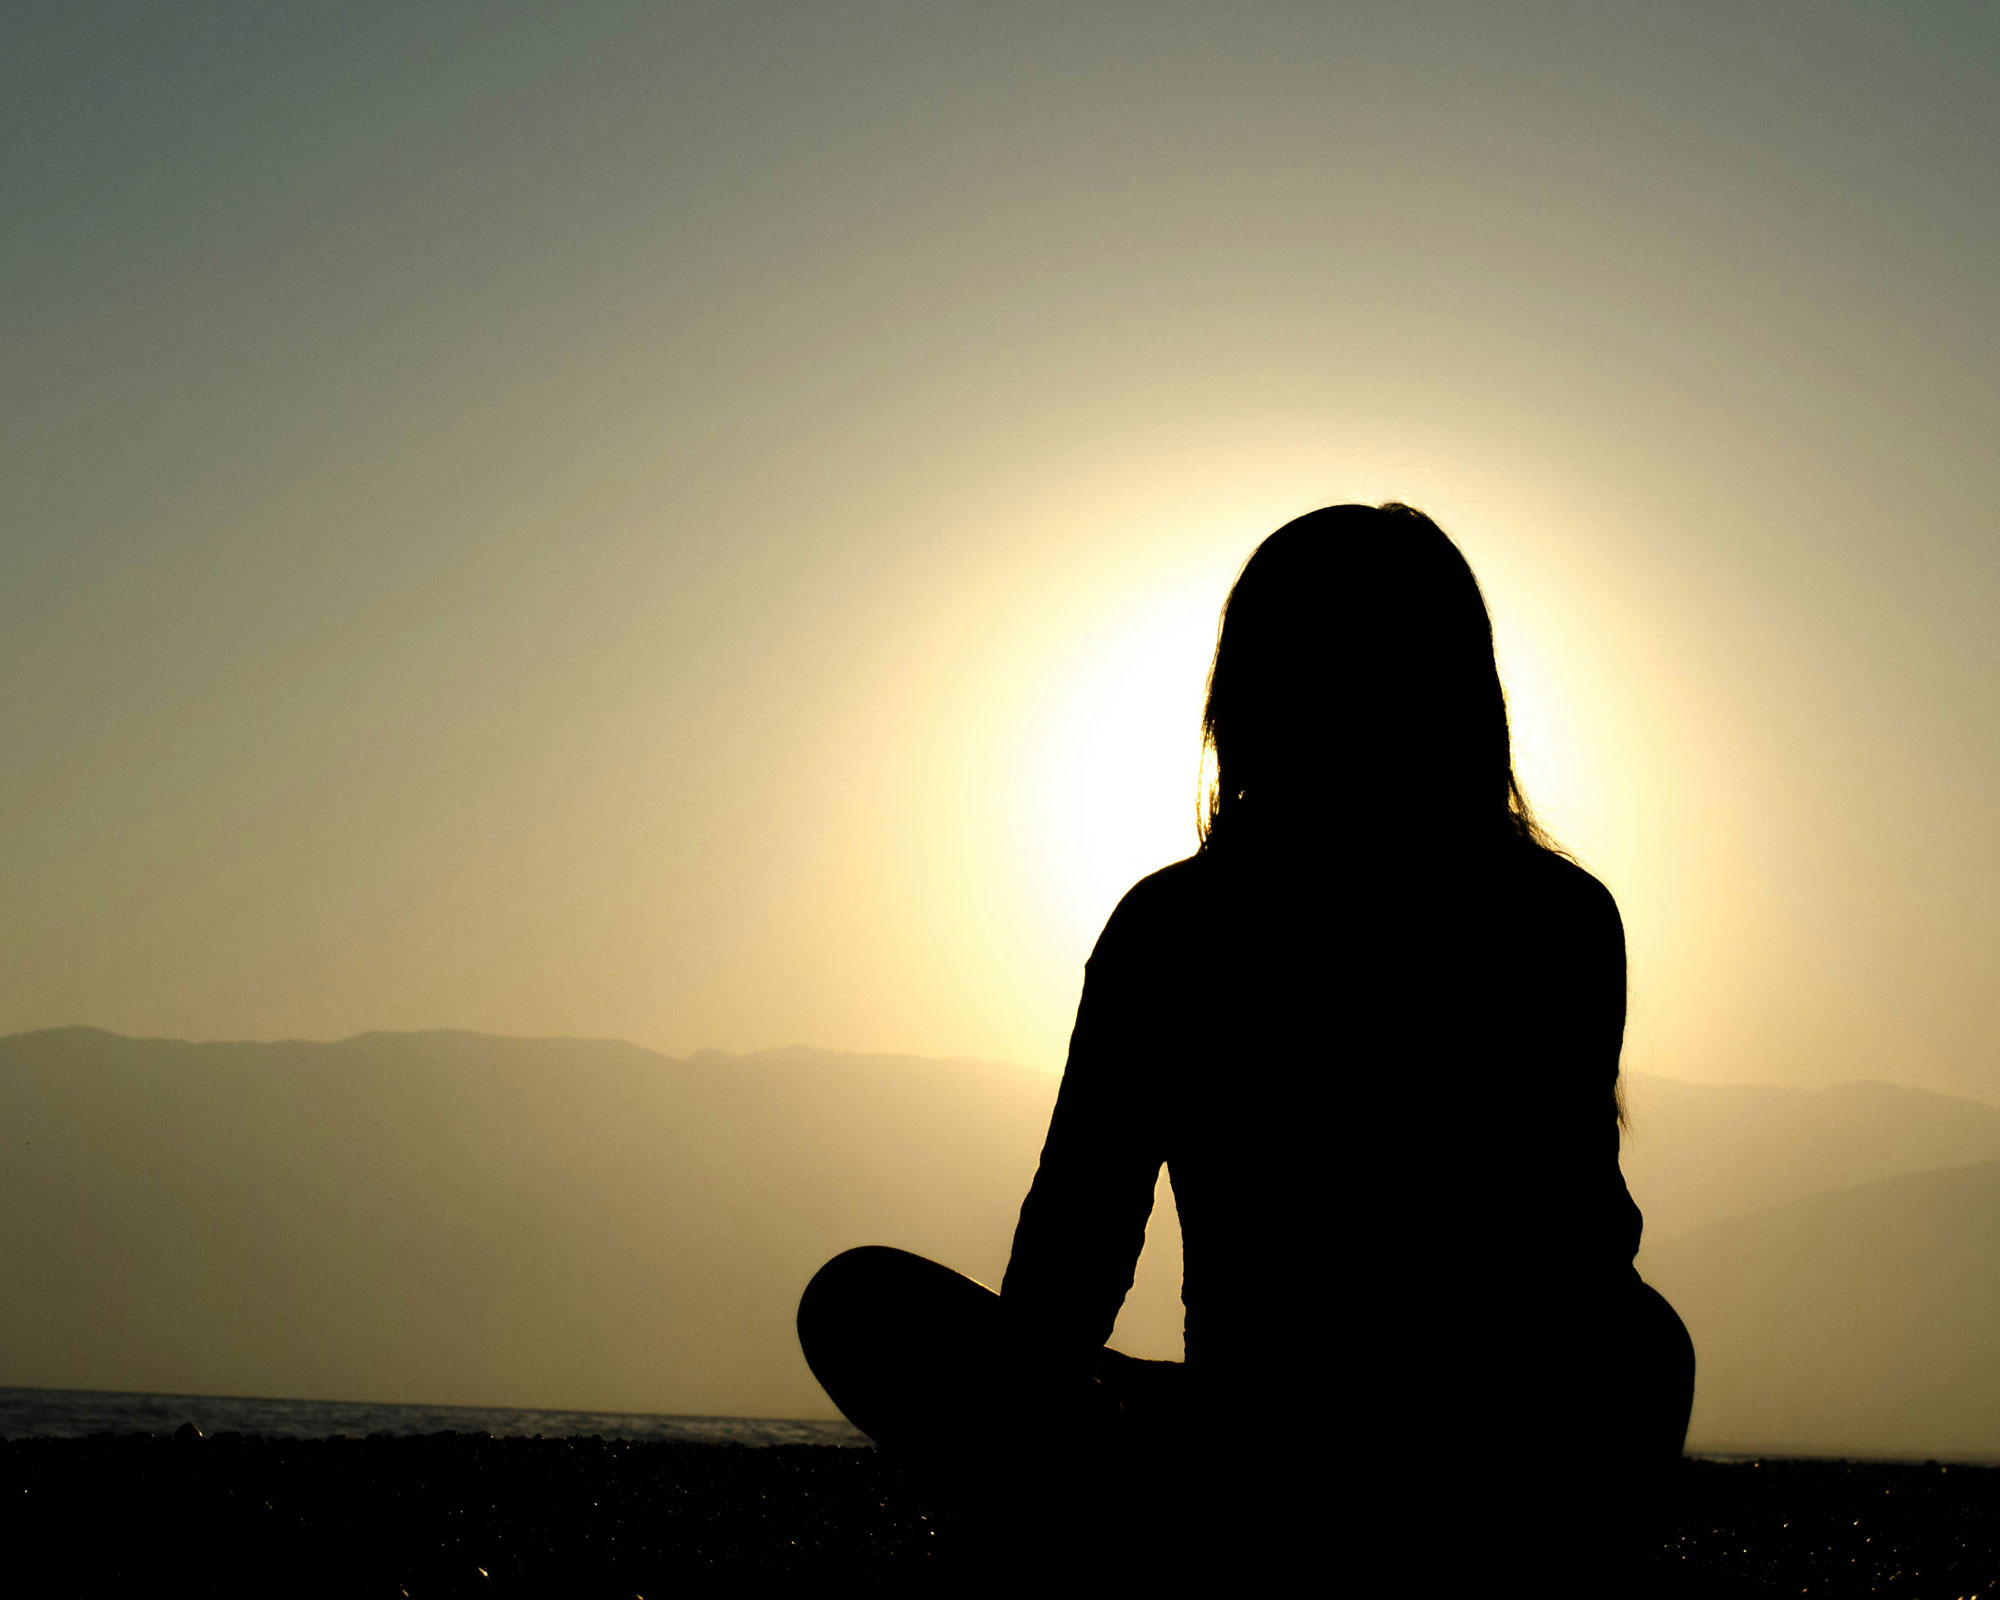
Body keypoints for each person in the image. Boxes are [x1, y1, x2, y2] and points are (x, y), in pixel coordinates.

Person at [798, 503, 1695, 1581]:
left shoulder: (1175, 926)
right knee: (1643, 1343)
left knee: (860, 1304)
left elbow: (1071, 1258)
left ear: (1244, 693)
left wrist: (1027, 1435)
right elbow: (1581, 1247)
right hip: (1445, 1454)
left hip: (1273, 1453)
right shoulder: (1555, 915)